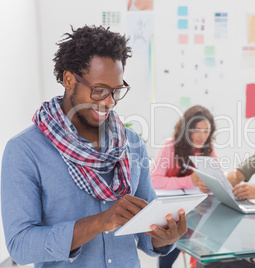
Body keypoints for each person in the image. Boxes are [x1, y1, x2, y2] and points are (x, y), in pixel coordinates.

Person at [1, 25, 187, 268]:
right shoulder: (25, 151)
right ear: (69, 80)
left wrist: (165, 237)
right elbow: (20, 246)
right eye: (99, 90)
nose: (109, 102)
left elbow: (145, 230)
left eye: (116, 91)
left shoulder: (131, 143)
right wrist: (100, 222)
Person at [151, 105, 217, 268]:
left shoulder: (209, 150)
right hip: (173, 214)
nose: (202, 136)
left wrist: (210, 185)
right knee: (167, 258)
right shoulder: (169, 147)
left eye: (206, 131)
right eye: (197, 130)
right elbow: (154, 180)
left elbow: (217, 179)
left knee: (207, 255)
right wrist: (190, 180)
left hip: (200, 214)